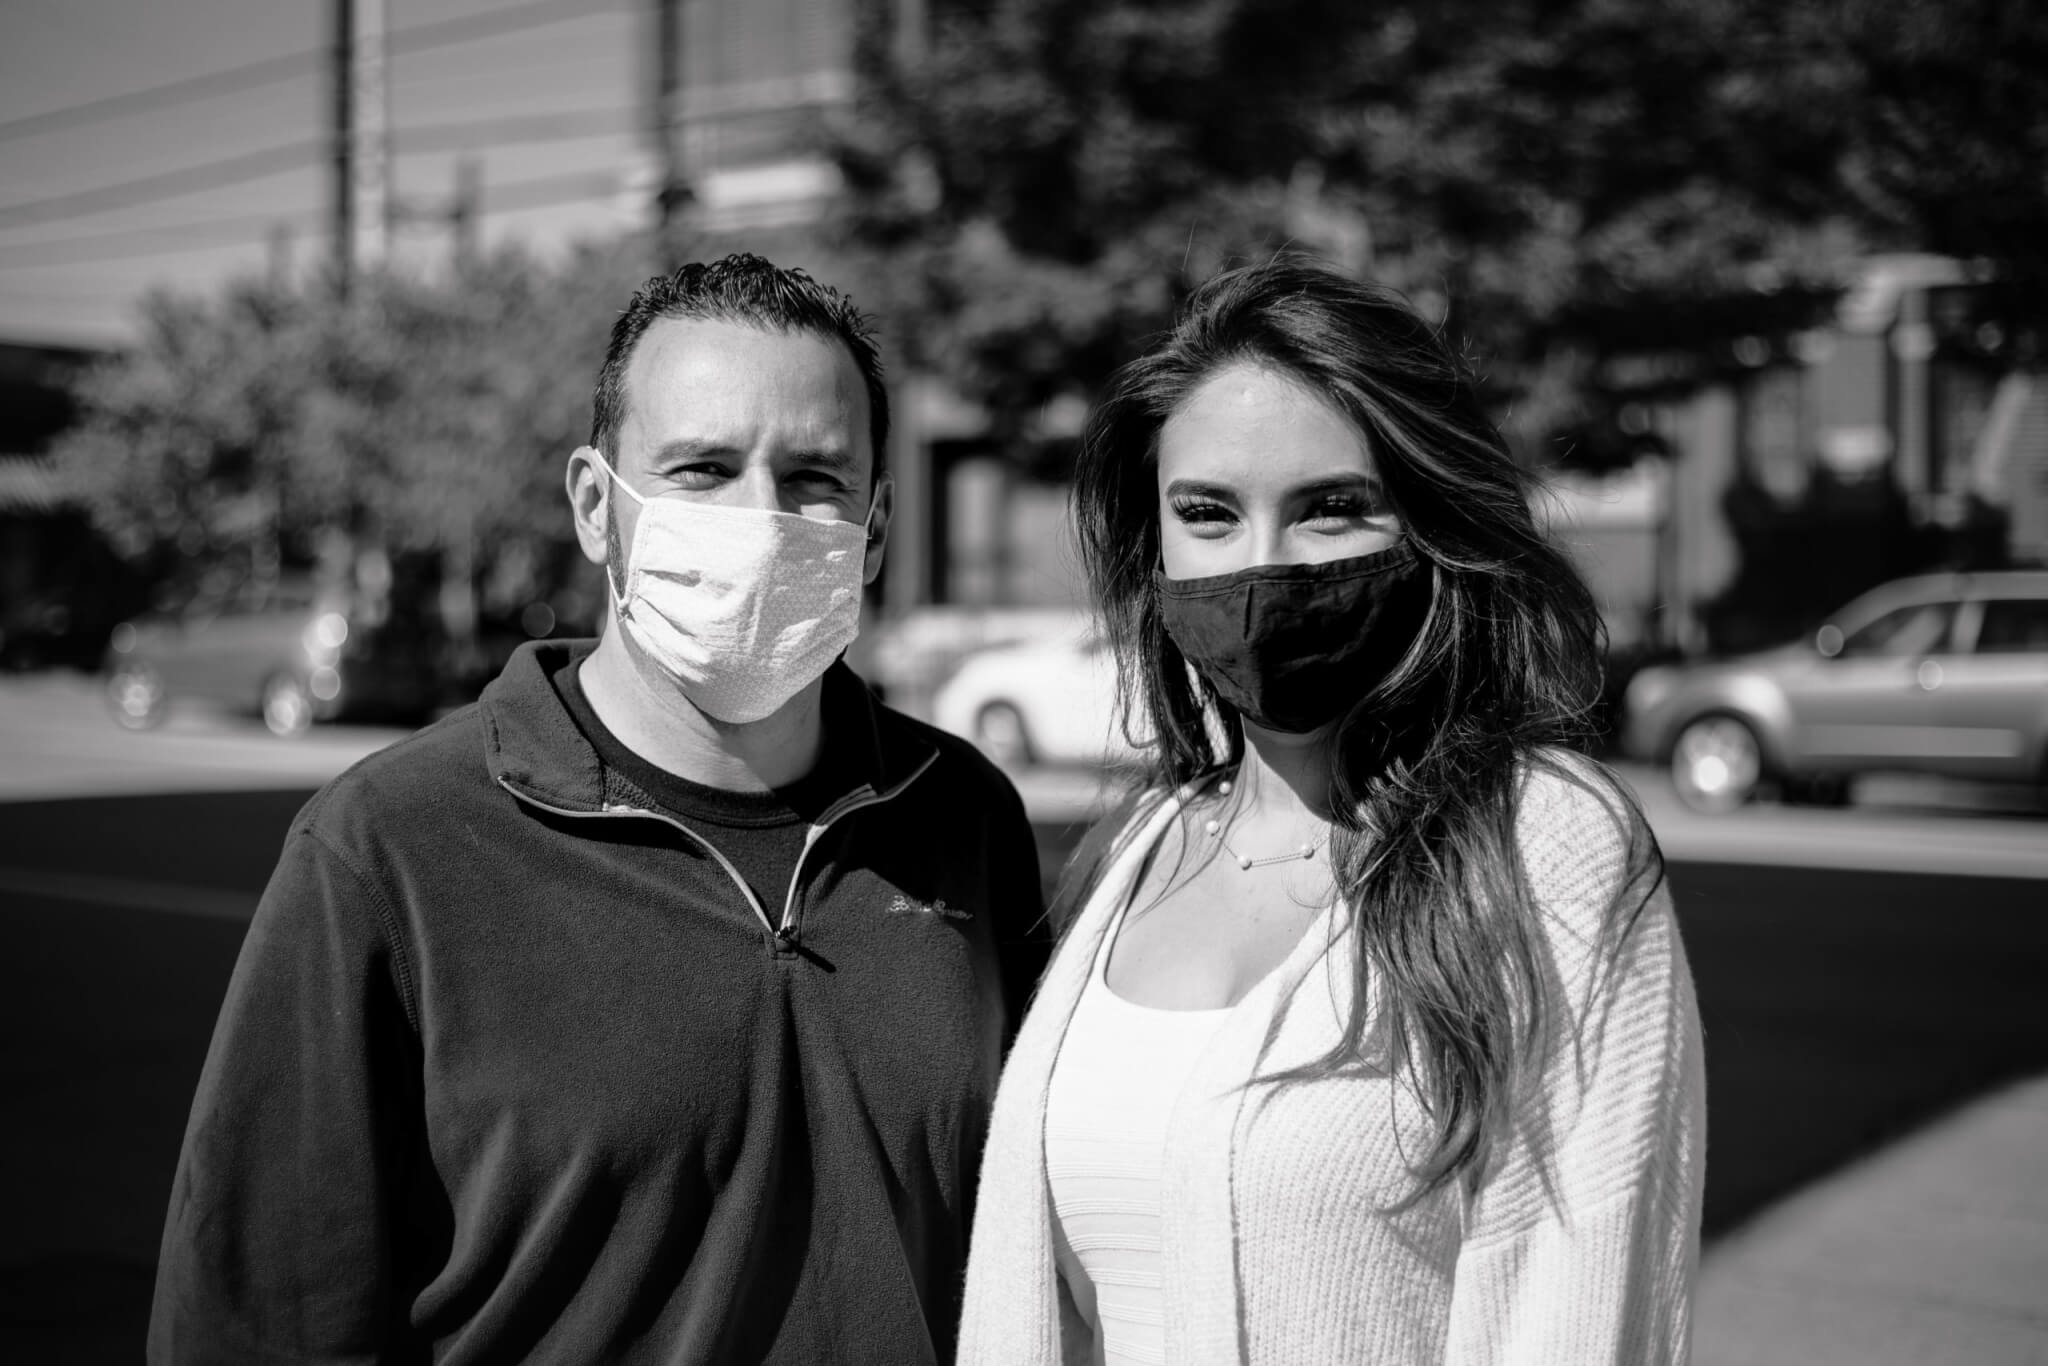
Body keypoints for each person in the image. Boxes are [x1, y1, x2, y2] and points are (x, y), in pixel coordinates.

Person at [151, 253, 1048, 1365]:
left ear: (872, 524)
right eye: (702, 468)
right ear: (594, 506)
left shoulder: (959, 815)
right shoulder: (389, 845)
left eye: (813, 477)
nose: (761, 521)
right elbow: (262, 1318)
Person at [958, 257, 1705, 1365]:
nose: (1260, 568)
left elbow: (1580, 1308)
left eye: (1330, 511)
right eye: (1206, 513)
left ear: (1430, 529)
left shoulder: (1544, 846)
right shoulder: (1134, 852)